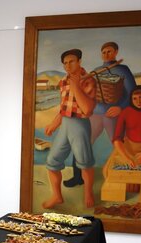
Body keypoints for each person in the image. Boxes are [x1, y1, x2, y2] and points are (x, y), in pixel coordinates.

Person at [64, 41, 136, 188]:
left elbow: (132, 92)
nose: (106, 54)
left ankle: (125, 177)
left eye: (109, 51)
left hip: (112, 114)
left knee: (119, 146)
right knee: (82, 143)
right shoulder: (96, 71)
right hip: (95, 114)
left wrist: (120, 107)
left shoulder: (123, 70)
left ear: (116, 52)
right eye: (104, 52)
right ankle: (77, 176)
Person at [43, 48, 97, 209]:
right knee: (52, 161)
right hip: (65, 124)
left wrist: (75, 86)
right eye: (65, 63)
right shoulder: (63, 81)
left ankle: (88, 193)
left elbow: (87, 109)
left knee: (85, 163)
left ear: (79, 61)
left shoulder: (88, 80)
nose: (68, 65)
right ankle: (57, 196)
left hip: (80, 125)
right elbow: (64, 108)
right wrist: (54, 123)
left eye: (71, 61)